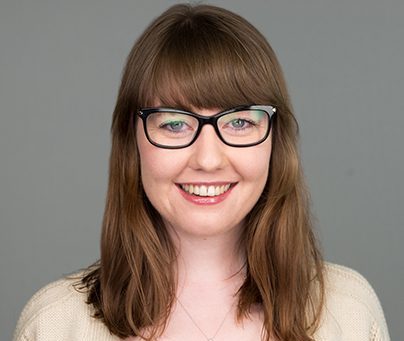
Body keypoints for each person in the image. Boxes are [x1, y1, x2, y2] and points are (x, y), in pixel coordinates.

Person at [13, 3, 390, 341]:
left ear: (275, 141)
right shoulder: (54, 325)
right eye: (175, 124)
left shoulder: (349, 314)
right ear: (133, 143)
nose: (208, 159)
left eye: (240, 122)